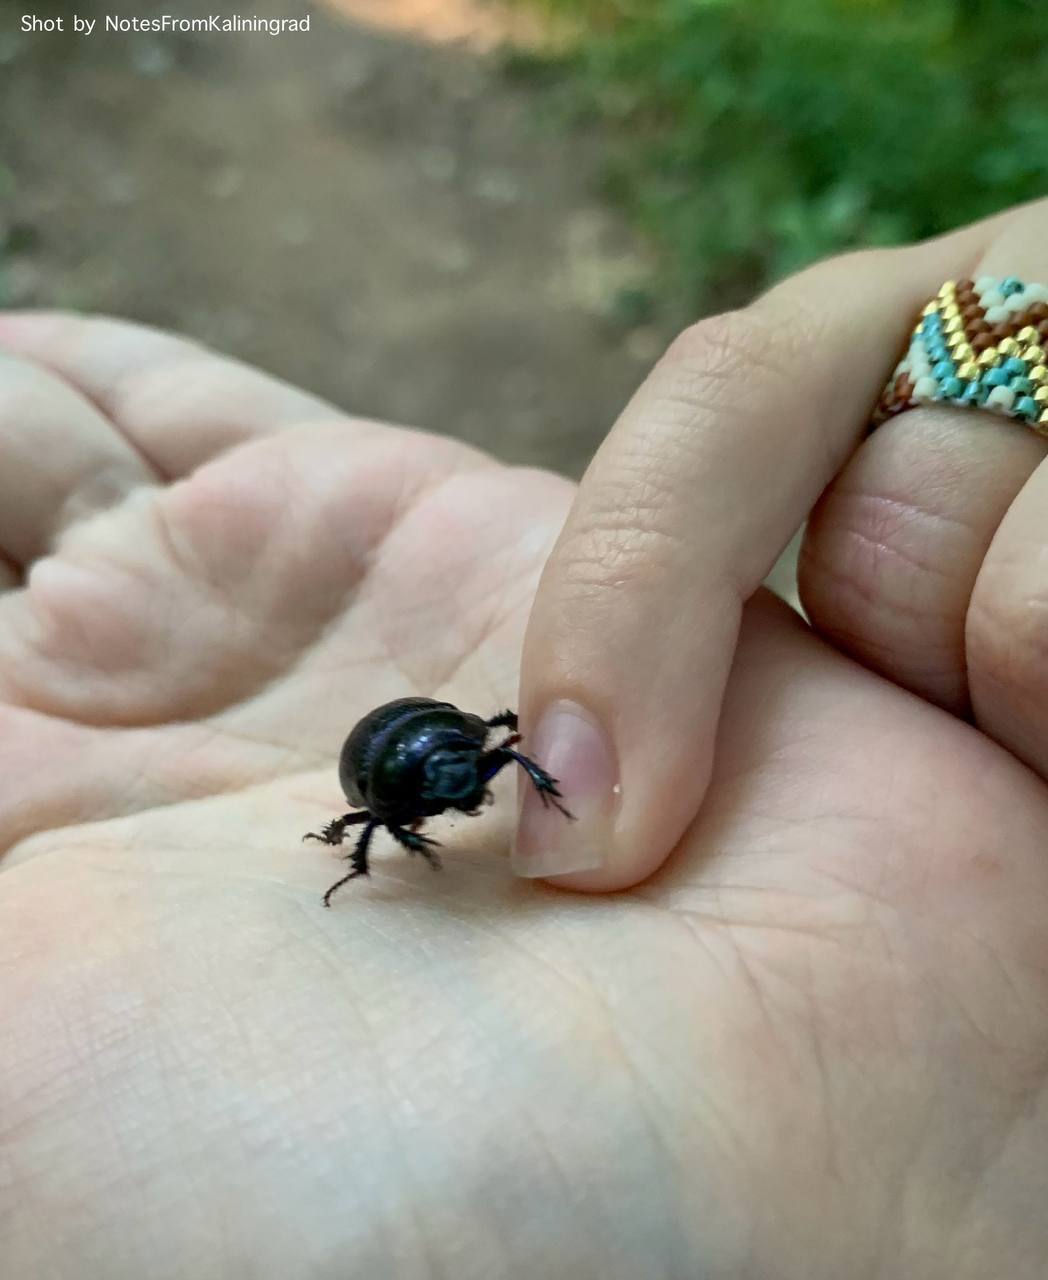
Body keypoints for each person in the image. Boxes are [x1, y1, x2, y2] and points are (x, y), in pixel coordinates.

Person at [1, 198, 1046, 1278]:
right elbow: (380, 803)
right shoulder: (391, 796)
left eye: (470, 778)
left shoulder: (463, 757)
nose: (466, 793)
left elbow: (484, 742)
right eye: (454, 786)